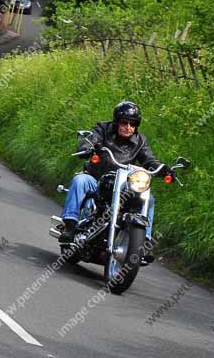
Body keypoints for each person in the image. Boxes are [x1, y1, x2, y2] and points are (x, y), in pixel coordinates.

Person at [59, 101, 169, 263]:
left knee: (149, 198)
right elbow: (89, 139)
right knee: (80, 180)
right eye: (124, 122)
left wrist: (163, 169)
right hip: (96, 180)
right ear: (117, 122)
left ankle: (143, 242)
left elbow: (149, 159)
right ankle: (69, 225)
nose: (128, 127)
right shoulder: (103, 129)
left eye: (132, 124)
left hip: (123, 185)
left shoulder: (140, 141)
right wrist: (87, 147)